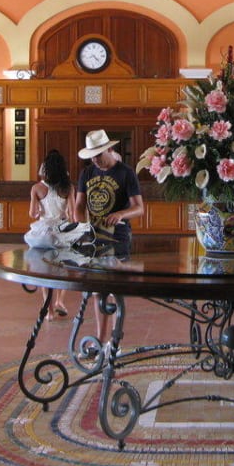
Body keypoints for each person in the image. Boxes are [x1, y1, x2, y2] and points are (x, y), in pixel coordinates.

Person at [74, 130, 144, 351]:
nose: (95, 160)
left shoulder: (126, 173)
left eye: (98, 154)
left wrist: (121, 214)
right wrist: (79, 223)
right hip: (93, 238)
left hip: (118, 239)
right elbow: (79, 204)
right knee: (97, 291)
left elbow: (139, 208)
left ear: (110, 149)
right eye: (91, 156)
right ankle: (100, 340)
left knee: (114, 290)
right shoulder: (87, 173)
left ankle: (115, 342)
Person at [25, 149, 75, 320]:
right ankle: (60, 301)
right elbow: (73, 214)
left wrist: (40, 209)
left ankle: (49, 310)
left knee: (44, 270)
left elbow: (32, 213)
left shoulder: (36, 188)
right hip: (62, 232)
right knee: (64, 268)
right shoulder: (68, 188)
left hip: (43, 233)